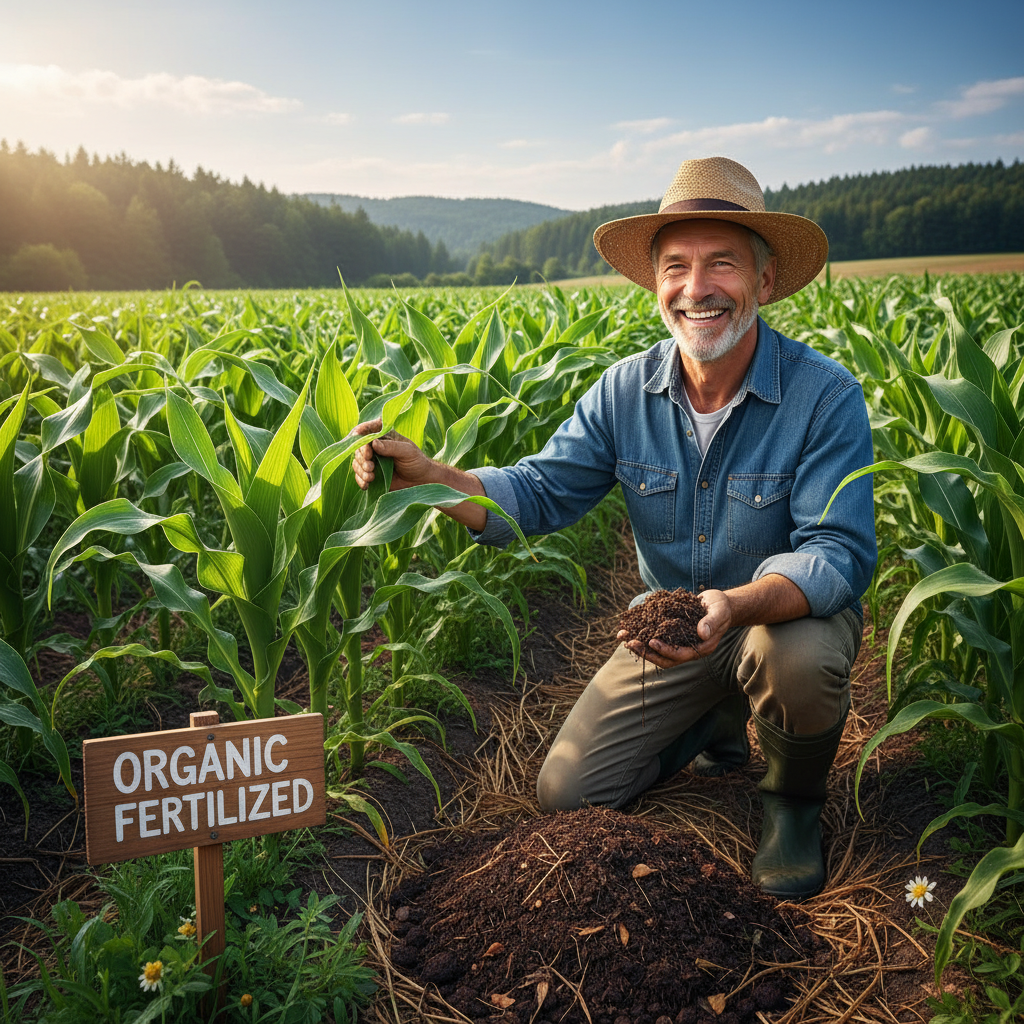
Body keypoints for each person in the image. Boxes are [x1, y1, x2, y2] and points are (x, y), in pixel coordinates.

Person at [353, 156, 876, 901]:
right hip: (674, 633)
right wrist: (429, 477)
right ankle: (710, 719)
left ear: (764, 282)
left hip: (777, 623)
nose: (697, 288)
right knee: (568, 792)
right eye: (676, 267)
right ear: (655, 284)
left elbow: (837, 553)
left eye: (722, 263)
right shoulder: (624, 392)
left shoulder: (824, 396)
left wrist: (734, 605)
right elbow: (537, 492)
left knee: (793, 657)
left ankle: (792, 803)